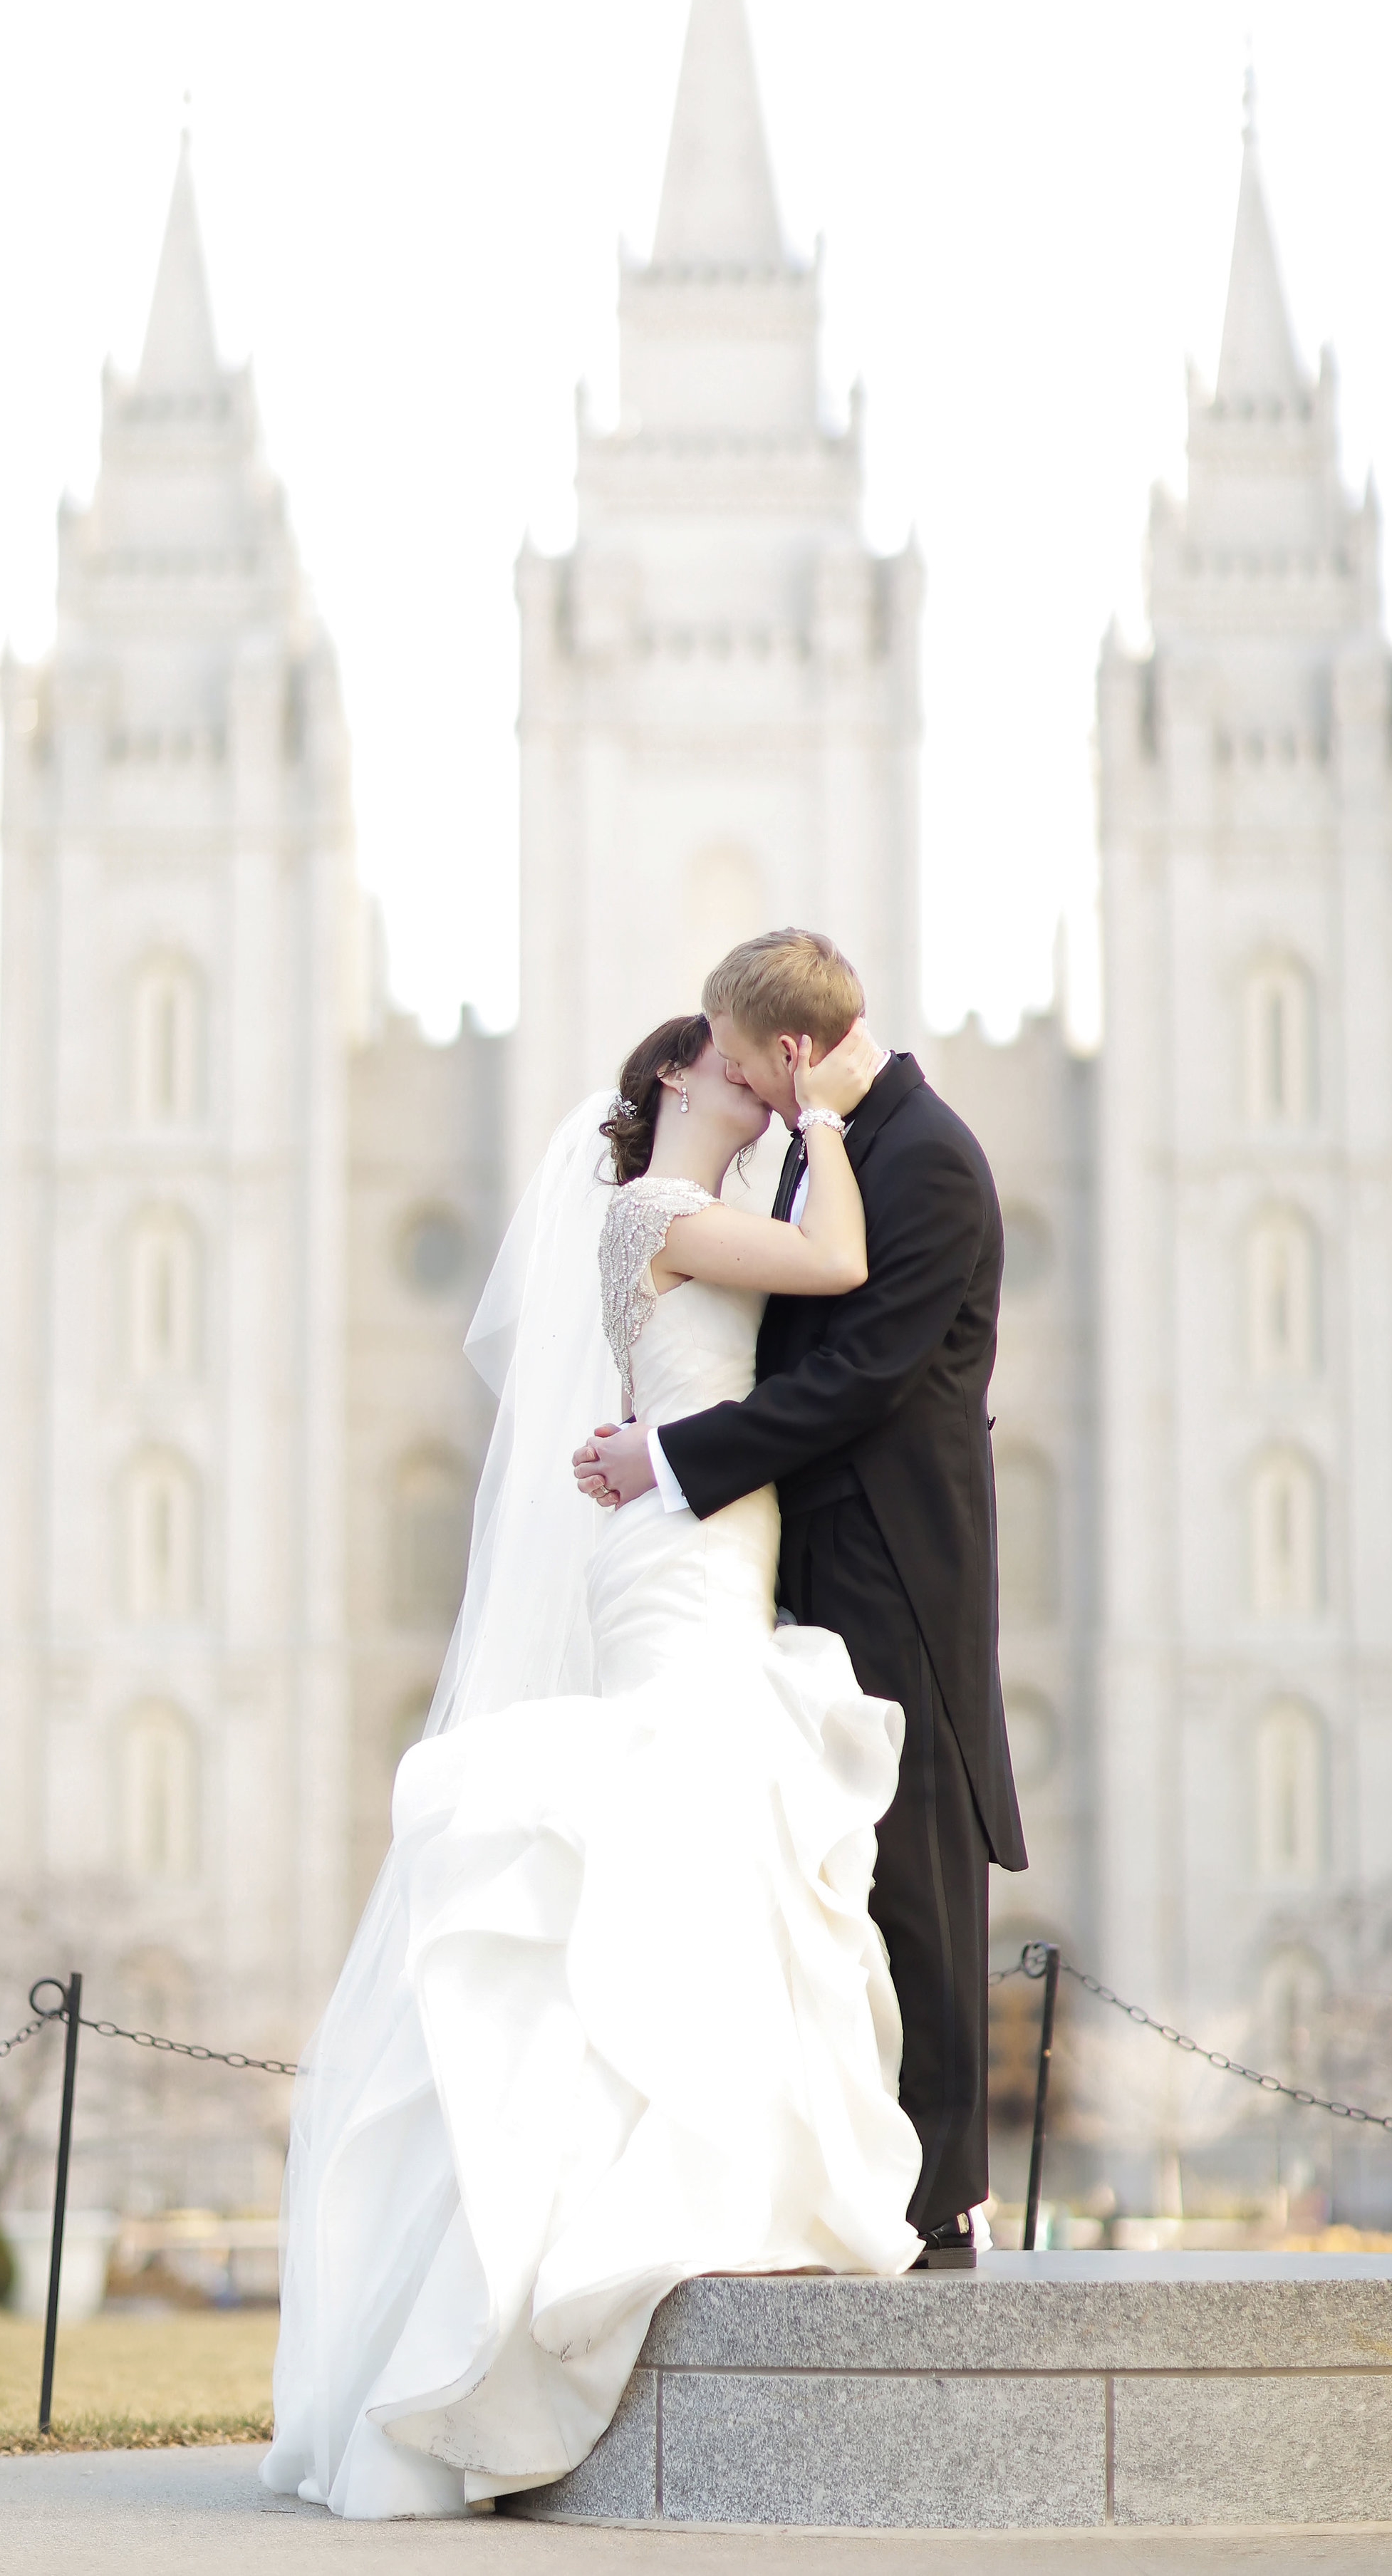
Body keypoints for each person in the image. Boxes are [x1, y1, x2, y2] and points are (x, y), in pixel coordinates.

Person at [261, 1014, 921, 2521]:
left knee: (693, 1839)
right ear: (672, 1084)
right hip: (682, 1552)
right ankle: (616, 2206)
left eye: (771, 1064)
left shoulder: (692, 1216)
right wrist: (824, 1125)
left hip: (686, 1529)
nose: (759, 1079)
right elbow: (832, 1270)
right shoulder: (654, 1210)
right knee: (680, 1826)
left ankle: (689, 2171)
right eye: (736, 1064)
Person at [576, 930, 1025, 2267]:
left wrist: (669, 1458)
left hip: (897, 1558)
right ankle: (845, 2162)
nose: (747, 1095)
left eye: (745, 1064)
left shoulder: (927, 1157)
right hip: (795, 1550)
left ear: (787, 1052)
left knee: (920, 1861)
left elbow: (867, 1376)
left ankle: (938, 2191)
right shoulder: (826, 1153)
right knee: (837, 1864)